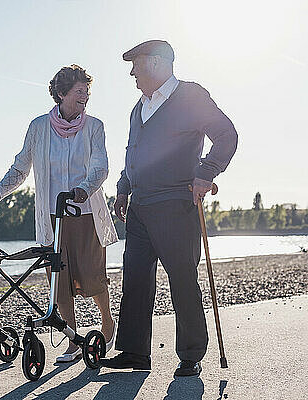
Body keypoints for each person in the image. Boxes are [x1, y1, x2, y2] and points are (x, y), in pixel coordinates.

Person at [103, 40, 238, 376]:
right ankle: (134, 352)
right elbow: (132, 154)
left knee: (182, 278)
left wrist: (205, 173)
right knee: (135, 278)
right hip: (139, 207)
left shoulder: (190, 96)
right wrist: (122, 189)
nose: (132, 72)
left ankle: (190, 355)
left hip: (175, 202)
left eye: (136, 64)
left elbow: (226, 134)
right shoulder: (139, 108)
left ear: (158, 63)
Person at [0, 65, 119, 362]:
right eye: (78, 91)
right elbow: (21, 167)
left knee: (92, 275)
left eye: (87, 91)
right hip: (51, 216)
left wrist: (84, 188)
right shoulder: (38, 127)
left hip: (84, 213)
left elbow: (100, 165)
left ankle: (108, 322)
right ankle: (71, 340)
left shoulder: (94, 126)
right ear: (61, 93)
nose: (84, 96)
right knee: (59, 279)